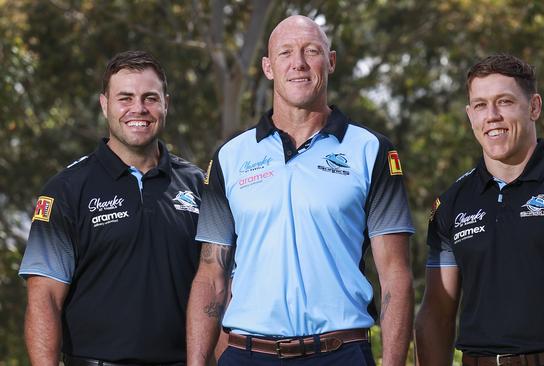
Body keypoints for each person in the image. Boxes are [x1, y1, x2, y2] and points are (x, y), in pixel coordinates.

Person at [187, 15, 415, 366]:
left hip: (341, 353)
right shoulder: (231, 156)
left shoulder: (371, 150)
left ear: (332, 61)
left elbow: (395, 275)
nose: (299, 63)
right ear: (267, 67)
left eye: (312, 51)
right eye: (285, 53)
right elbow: (211, 274)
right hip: (247, 355)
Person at [415, 54, 544, 366]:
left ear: (534, 107)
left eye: (504, 102)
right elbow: (436, 312)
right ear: (469, 115)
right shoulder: (451, 203)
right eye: (480, 105)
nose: (492, 116)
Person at [19, 50, 204, 366]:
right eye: (125, 98)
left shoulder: (199, 185)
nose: (138, 109)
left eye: (150, 98)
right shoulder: (66, 190)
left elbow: (220, 289)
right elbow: (45, 299)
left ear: (166, 104)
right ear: (104, 104)